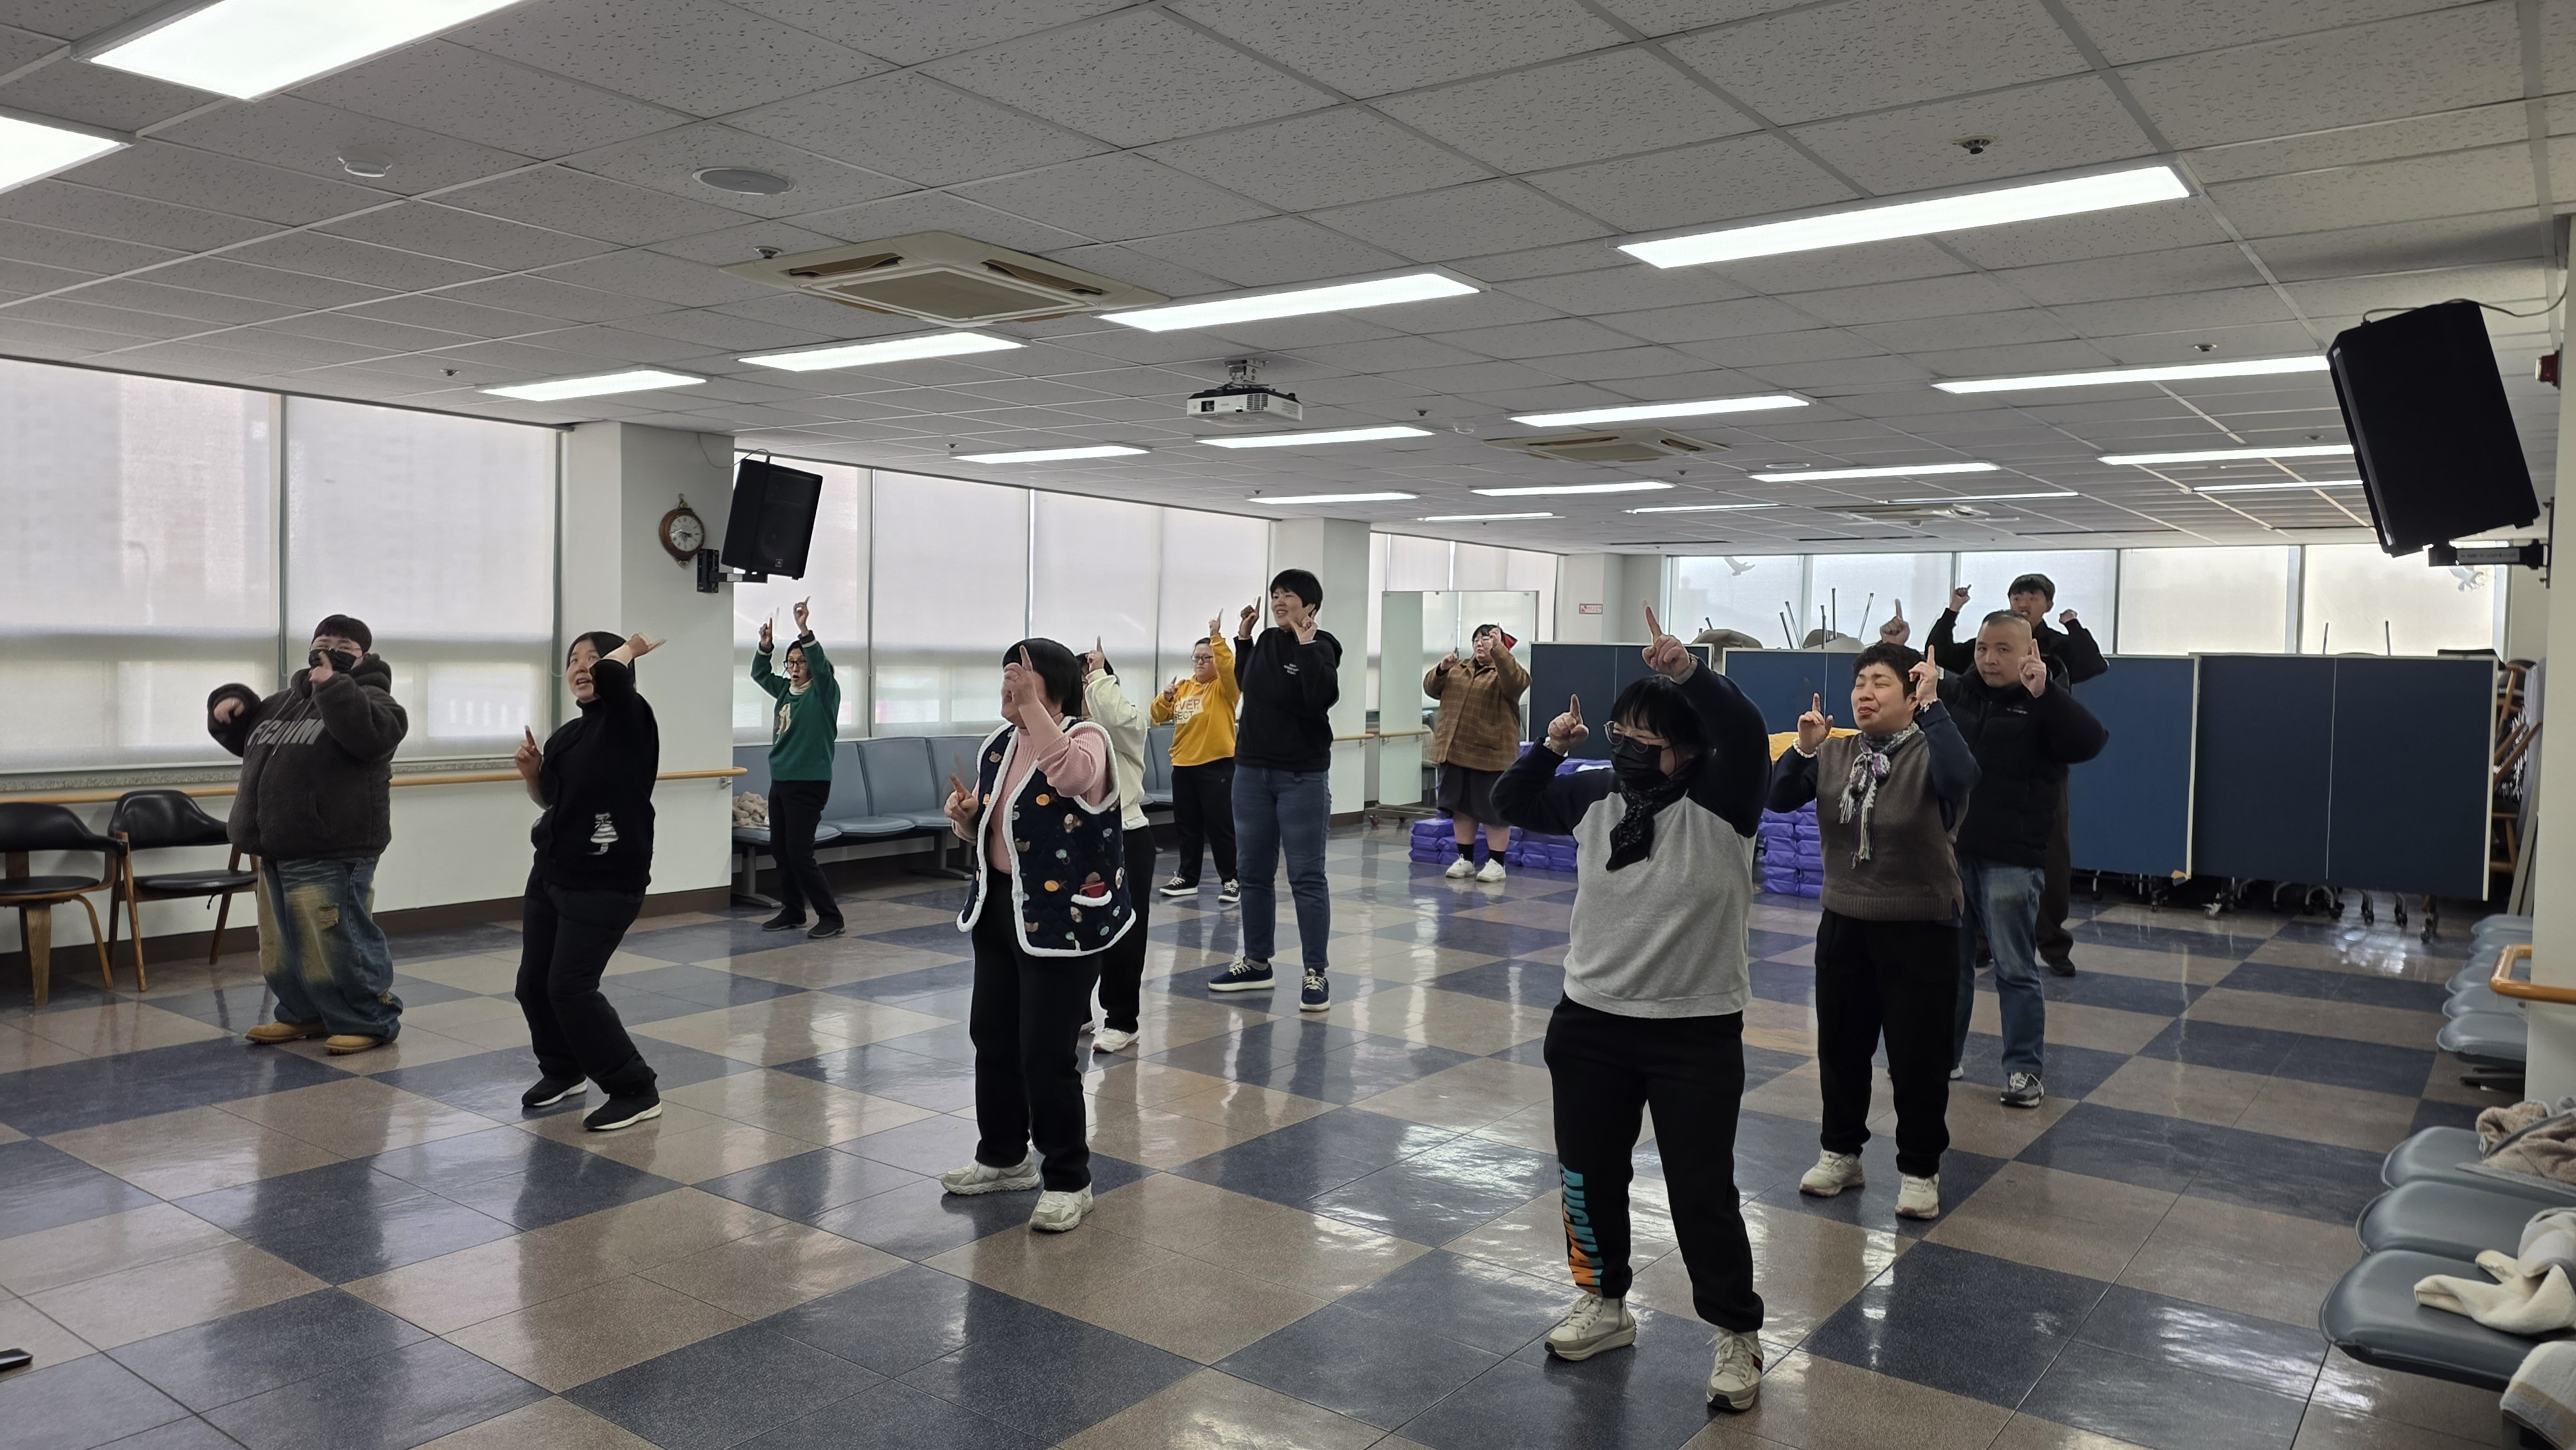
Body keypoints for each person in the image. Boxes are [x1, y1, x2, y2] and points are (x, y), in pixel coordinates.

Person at [1493, 606, 1773, 1414]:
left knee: (1701, 1191)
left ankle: (1736, 1329)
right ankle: (1604, 1298)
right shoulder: (1596, 793)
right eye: (1619, 732)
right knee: (1587, 1176)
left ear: (1688, 747)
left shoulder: (1726, 800)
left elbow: (1745, 731)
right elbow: (1512, 800)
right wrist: (1550, 746)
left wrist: (1686, 671)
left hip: (1694, 1031)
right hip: (1590, 1021)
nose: (1626, 746)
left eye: (1645, 736)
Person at [1769, 645, 1978, 1220]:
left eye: (1882, 682)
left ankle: (1920, 1168)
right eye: (1861, 682)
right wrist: (1804, 748)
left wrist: (1936, 709)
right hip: (1845, 921)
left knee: (1917, 1057)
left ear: (1912, 695)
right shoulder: (1836, 753)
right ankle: (1841, 1153)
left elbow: (1963, 777)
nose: (1865, 692)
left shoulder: (1932, 750)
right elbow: (1778, 797)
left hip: (1921, 924)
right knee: (1841, 1048)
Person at [939, 640, 1133, 1234]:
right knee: (992, 1035)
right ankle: (1004, 1156)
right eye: (1005, 677)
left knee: (1046, 1052)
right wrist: (968, 818)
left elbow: (1071, 777)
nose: (1007, 687)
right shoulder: (999, 745)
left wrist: (1034, 712)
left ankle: (1070, 1179)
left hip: (1063, 923)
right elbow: (997, 825)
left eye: (1018, 677)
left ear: (1051, 684)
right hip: (1000, 908)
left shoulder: (1087, 739)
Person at [207, 616, 408, 1056]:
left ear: (365, 657)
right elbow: (245, 737)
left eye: (344, 646)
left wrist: (333, 687)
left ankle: (369, 1021)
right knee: (281, 945)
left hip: (332, 848)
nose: (329, 650)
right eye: (323, 642)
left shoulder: (375, 700)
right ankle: (304, 1015)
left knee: (338, 942)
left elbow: (372, 737)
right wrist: (230, 705)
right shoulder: (283, 702)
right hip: (276, 847)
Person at [1942, 612, 2110, 1109]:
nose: (1989, 659)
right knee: (1951, 967)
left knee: (2015, 969)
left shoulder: (2043, 701)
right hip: (1955, 854)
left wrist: (2048, 694)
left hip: (2012, 859)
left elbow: (2090, 742)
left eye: (2003, 649)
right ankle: (1945, 1056)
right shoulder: (1960, 695)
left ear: (2028, 652)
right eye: (1982, 648)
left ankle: (2023, 1070)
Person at [512, 631, 667, 1131]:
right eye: (574, 659)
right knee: (533, 985)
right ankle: (563, 1070)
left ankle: (635, 1088)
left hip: (606, 881)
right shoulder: (568, 736)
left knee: (570, 988)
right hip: (552, 873)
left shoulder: (631, 720)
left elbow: (616, 676)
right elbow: (552, 801)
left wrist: (629, 649)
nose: (581, 667)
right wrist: (533, 774)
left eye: (593, 658)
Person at [1926, 574, 2104, 977]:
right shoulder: (1989, 642)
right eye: (2017, 595)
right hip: (1986, 769)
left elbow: (2093, 665)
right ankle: (1982, 942)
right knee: (1974, 854)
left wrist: (2074, 625)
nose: (2023, 601)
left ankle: (2053, 943)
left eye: (2033, 596)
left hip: (2040, 764)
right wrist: (1952, 611)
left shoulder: (2056, 646)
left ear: (2047, 604)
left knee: (2048, 857)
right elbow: (1941, 652)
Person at [1203, 570, 1340, 1012]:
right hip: (1251, 771)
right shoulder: (1264, 641)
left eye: (1289, 596)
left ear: (1310, 606)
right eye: (1276, 595)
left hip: (1301, 775)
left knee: (1306, 876)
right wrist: (1243, 640)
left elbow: (1318, 698)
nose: (1279, 602)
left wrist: (1305, 645)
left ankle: (1315, 971)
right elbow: (1251, 685)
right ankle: (1256, 962)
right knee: (1253, 872)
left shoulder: (1324, 646)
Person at [749, 597, 844, 940]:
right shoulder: (785, 691)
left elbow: (820, 666)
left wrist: (804, 630)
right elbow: (760, 673)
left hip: (809, 782)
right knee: (780, 849)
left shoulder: (824, 693)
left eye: (800, 662)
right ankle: (793, 910)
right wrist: (765, 647)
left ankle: (831, 916)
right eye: (790, 662)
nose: (795, 667)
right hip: (781, 780)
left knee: (800, 854)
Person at [1083, 638, 1153, 1055]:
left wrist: (1098, 673)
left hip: (1127, 834)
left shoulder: (1125, 727)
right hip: (1079, 838)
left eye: (1090, 684)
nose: (1084, 692)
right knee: (1077, 925)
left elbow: (1114, 714)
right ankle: (1077, 1009)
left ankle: (1122, 1020)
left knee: (1125, 931)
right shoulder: (1065, 730)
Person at [1425, 623, 1530, 883]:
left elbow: (1516, 684)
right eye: (1477, 640)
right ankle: (1465, 859)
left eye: (1487, 639)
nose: (1480, 643)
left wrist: (1500, 651)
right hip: (1456, 751)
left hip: (1491, 754)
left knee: (1493, 810)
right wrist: (1442, 669)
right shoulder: (1459, 669)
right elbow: (1431, 689)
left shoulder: (1506, 670)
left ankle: (1497, 863)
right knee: (1461, 808)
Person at [1152, 617, 1240, 906]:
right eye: (1197, 658)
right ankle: (1187, 878)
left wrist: (1217, 638)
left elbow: (1228, 667)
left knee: (1220, 826)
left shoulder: (1224, 688)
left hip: (1216, 764)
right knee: (1187, 826)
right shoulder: (1185, 687)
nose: (1200, 662)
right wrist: (1165, 698)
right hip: (1183, 765)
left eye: (1206, 658)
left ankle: (1231, 880)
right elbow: (1158, 716)